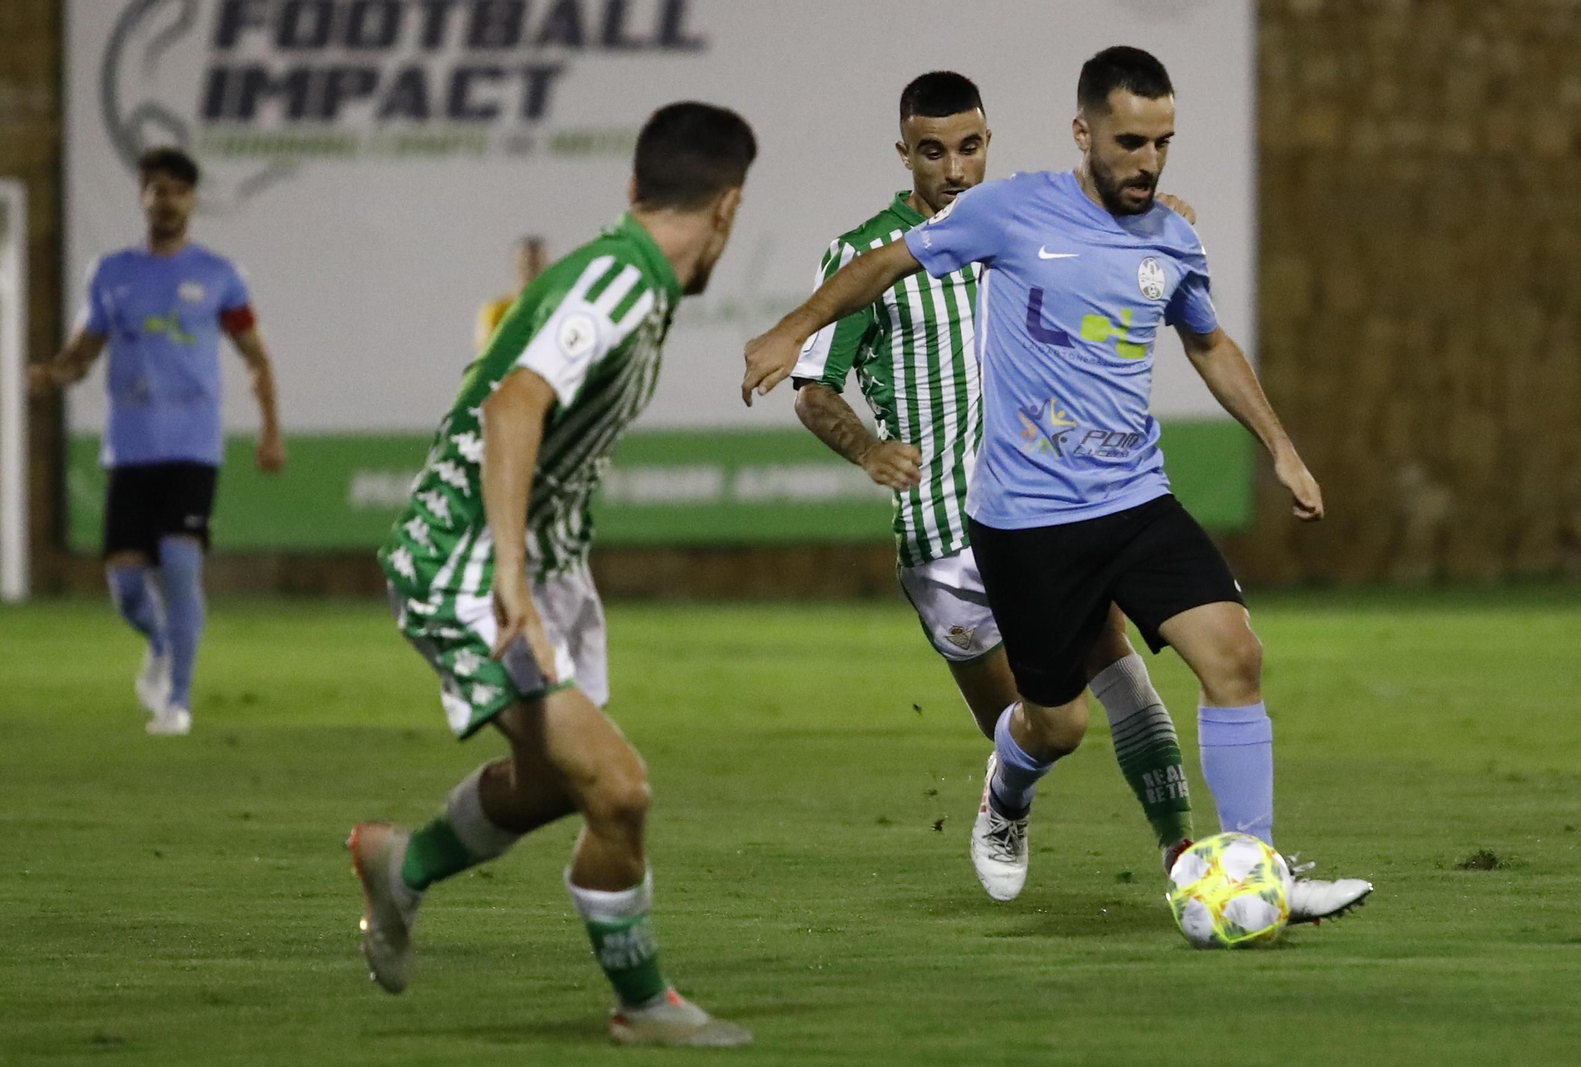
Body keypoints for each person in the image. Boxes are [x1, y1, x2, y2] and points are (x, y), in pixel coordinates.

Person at [743, 48, 1372, 923]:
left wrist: (1281, 445)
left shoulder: (1172, 236)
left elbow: (1208, 342)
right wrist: (792, 329)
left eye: (1163, 142)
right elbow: (887, 263)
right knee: (1060, 725)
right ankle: (1008, 787)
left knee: (1236, 656)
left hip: (1135, 499)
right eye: (1130, 141)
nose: (1148, 161)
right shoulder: (1007, 209)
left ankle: (1251, 866)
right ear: (1084, 134)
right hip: (1026, 524)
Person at [349, 102, 756, 1048]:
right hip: (471, 569)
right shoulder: (622, 278)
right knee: (618, 788)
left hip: (541, 563)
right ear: (729, 208)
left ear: (634, 190)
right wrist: (511, 585)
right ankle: (645, 1003)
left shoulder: (632, 276)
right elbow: (512, 408)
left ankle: (401, 868)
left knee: (558, 780)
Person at [791, 71, 1196, 901]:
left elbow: (1118, 222)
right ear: (904, 152)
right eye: (932, 151)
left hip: (1049, 506)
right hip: (944, 538)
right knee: (1047, 726)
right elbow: (813, 388)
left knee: (1118, 668)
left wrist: (1157, 221)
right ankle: (1006, 798)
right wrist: (868, 450)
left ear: (988, 143)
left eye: (969, 147)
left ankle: (1185, 854)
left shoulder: (1028, 223)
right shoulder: (868, 257)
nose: (954, 169)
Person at [31, 146, 285, 737]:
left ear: (192, 200)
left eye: (176, 190)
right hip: (130, 445)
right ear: (142, 195)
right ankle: (164, 643)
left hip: (193, 445)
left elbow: (256, 358)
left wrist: (271, 430)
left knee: (178, 562)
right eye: (155, 189)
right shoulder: (111, 273)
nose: (165, 200)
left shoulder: (219, 276)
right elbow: (83, 352)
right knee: (125, 587)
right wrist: (51, 373)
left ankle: (178, 699)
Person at [475, 236, 549, 351]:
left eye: (536, 262)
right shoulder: (497, 310)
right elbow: (485, 352)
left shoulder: (558, 306)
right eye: (525, 262)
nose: (530, 269)